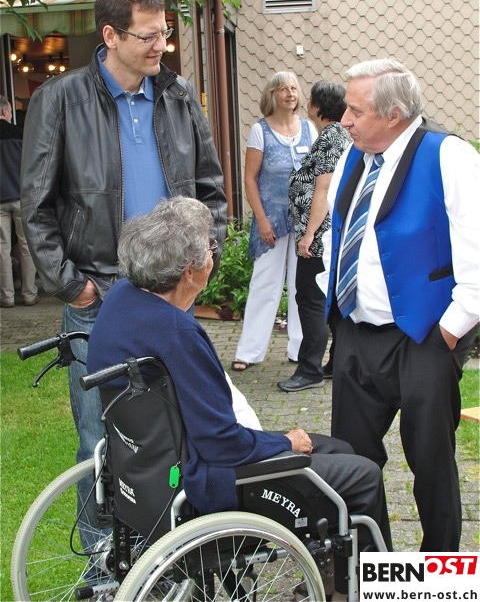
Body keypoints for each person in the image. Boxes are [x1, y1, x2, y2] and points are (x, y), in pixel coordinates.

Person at [87, 196, 391, 591]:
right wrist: (285, 441)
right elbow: (222, 443)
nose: (213, 257)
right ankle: (362, 588)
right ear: (190, 271)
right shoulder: (177, 332)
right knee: (363, 474)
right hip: (205, 482)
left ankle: (331, 575)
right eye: (210, 249)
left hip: (150, 469)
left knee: (339, 449)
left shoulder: (122, 299)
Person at [20, 0, 227, 471]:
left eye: (165, 32)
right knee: (98, 441)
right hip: (98, 294)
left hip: (175, 292)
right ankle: (99, 528)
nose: (162, 45)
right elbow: (36, 205)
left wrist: (205, 259)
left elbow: (210, 188)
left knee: (183, 431)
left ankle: (177, 523)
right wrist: (74, 287)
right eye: (148, 35)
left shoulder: (178, 94)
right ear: (111, 36)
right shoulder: (60, 98)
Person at [317, 58, 479, 551]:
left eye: (355, 110)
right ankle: (366, 569)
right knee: (350, 462)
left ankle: (437, 572)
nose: (344, 120)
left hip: (424, 336)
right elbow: (339, 233)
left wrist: (449, 332)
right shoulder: (353, 156)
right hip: (355, 333)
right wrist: (335, 298)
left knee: (431, 463)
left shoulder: (448, 155)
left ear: (394, 114)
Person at [231, 72, 317, 372]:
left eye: (294, 88)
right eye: (283, 89)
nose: (290, 93)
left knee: (300, 285)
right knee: (264, 283)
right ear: (272, 95)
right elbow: (250, 180)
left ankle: (300, 349)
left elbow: (317, 174)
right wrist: (262, 220)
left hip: (303, 220)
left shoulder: (309, 128)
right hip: (271, 221)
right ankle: (249, 351)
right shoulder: (260, 130)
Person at [278, 81, 350, 392]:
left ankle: (310, 370)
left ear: (319, 106)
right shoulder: (337, 135)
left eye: (310, 99)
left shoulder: (331, 138)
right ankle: (336, 363)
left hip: (319, 238)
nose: (306, 103)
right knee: (329, 301)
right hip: (329, 235)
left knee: (310, 300)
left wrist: (309, 235)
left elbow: (324, 190)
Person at [0, 95, 38, 308]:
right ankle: (30, 293)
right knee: (26, 246)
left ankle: (7, 296)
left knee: (2, 249)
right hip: (22, 198)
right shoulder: (21, 134)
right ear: (5, 112)